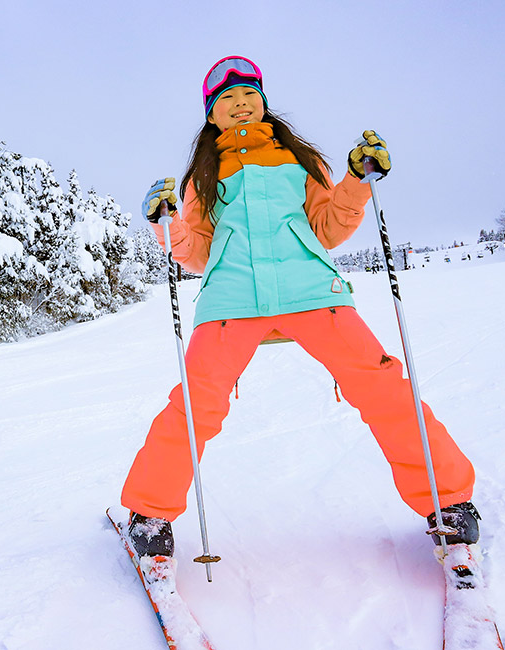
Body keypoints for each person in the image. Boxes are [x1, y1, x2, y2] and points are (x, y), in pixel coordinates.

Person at [121, 56, 480, 558]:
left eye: (248, 96)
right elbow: (197, 252)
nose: (240, 105)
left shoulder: (300, 161)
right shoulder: (202, 176)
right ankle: (150, 512)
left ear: (263, 102)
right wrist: (169, 224)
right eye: (227, 100)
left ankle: (449, 503)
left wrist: (357, 179)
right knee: (195, 404)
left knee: (382, 385)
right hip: (232, 299)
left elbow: (329, 226)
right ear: (211, 115)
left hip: (311, 290)